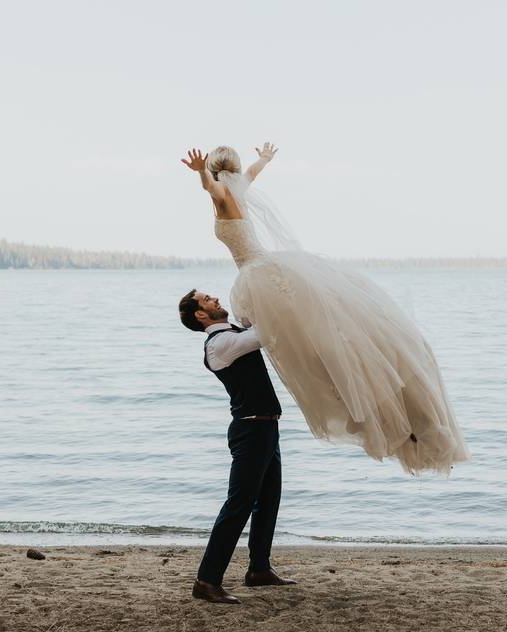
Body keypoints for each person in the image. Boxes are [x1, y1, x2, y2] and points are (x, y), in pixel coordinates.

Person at [180, 143, 470, 475]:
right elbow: (251, 174)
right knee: (323, 343)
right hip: (269, 273)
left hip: (259, 279)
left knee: (308, 353)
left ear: (217, 172)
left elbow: (212, 187)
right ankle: (374, 411)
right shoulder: (239, 189)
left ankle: (357, 412)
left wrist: (201, 172)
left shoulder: (221, 195)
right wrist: (264, 159)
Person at [178, 288, 297, 605]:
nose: (215, 299)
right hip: (250, 429)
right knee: (239, 505)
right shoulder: (219, 345)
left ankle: (259, 570)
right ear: (200, 315)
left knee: (268, 500)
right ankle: (206, 580)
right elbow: (266, 333)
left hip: (266, 426)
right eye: (207, 300)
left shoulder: (233, 333)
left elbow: (257, 329)